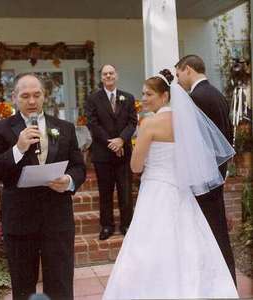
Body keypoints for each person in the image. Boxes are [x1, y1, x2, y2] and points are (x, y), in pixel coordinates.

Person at [102, 69, 238, 299]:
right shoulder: (187, 122)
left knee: (149, 245)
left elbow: (135, 167)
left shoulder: (149, 124)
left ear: (164, 96)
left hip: (155, 190)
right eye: (143, 93)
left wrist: (142, 158)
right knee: (187, 242)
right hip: (181, 190)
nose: (143, 98)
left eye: (149, 94)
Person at [0, 73, 86, 300]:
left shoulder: (65, 127)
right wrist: (18, 149)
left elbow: (79, 168)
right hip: (20, 221)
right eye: (25, 96)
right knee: (23, 286)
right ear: (14, 97)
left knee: (60, 285)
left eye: (37, 95)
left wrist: (68, 181)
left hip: (57, 219)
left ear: (44, 96)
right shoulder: (0, 130)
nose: (32, 101)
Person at [175, 54, 236, 284]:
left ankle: (221, 286)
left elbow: (195, 144)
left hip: (204, 180)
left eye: (179, 74)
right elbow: (226, 139)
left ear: (188, 69)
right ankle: (227, 283)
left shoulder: (196, 98)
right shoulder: (217, 94)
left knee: (211, 237)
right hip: (217, 175)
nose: (178, 80)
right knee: (219, 234)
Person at [85, 64, 137, 240]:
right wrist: (111, 143)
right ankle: (107, 226)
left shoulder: (128, 98)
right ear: (101, 77)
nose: (108, 76)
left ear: (117, 75)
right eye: (105, 74)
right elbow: (92, 124)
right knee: (105, 192)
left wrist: (121, 139)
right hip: (103, 154)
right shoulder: (93, 99)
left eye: (111, 73)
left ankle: (126, 224)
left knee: (125, 192)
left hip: (124, 154)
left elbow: (132, 122)